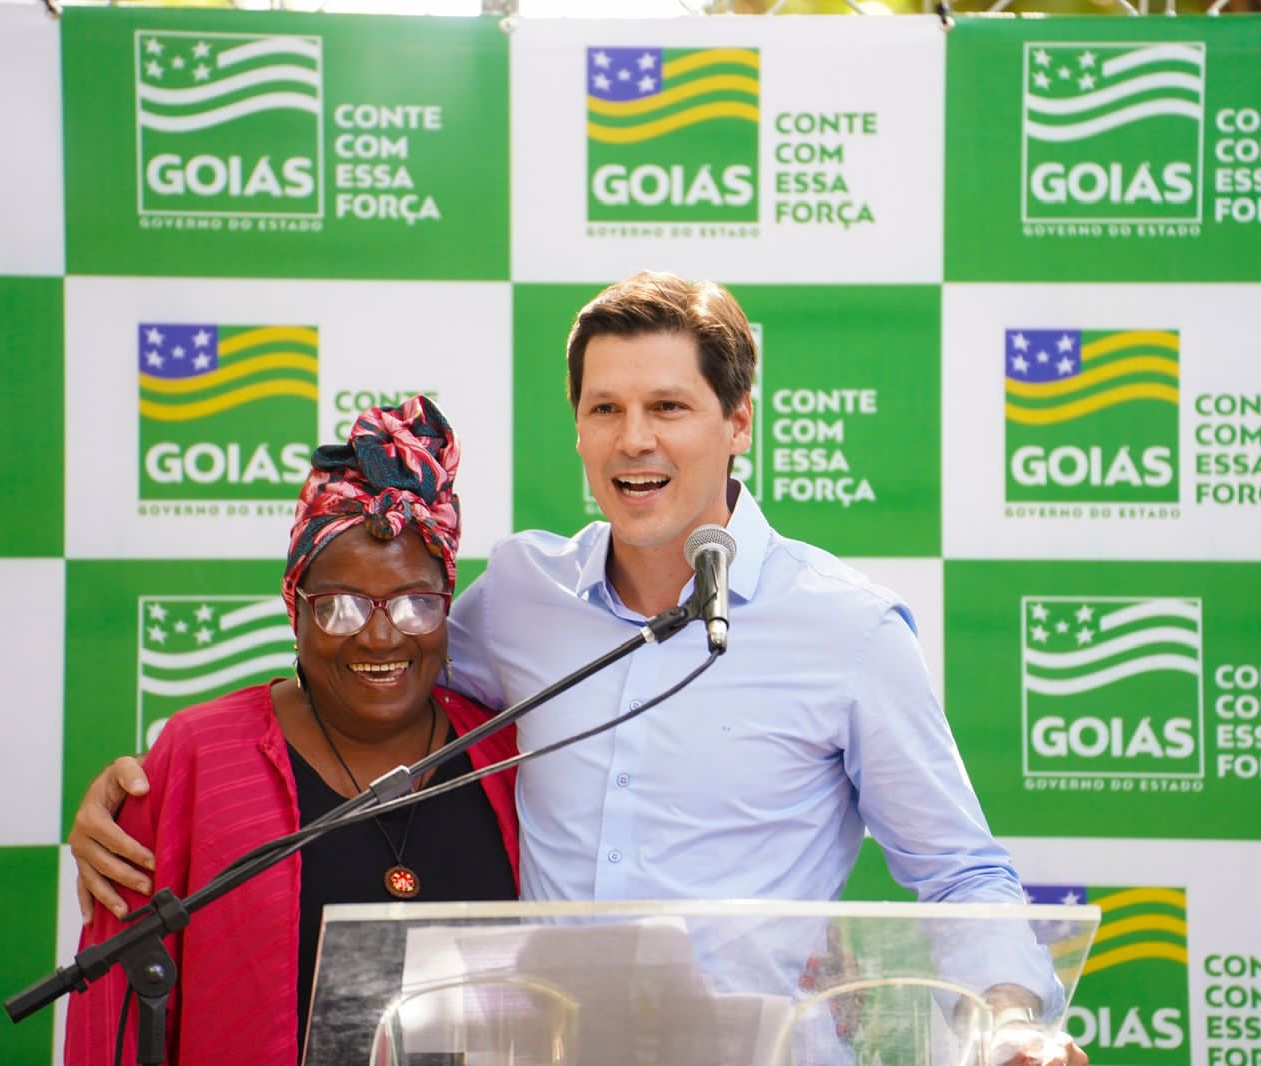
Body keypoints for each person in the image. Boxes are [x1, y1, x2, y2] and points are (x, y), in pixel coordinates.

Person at [70, 275, 1086, 1066]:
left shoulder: (849, 630)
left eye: (669, 406)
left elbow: (963, 872)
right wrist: (153, 786)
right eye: (605, 408)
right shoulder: (521, 592)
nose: (634, 441)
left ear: (738, 423)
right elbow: (374, 657)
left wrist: (1007, 1019)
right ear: (578, 428)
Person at [64, 397, 519, 1066]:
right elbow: (113, 1017)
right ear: (293, 609)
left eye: (416, 603)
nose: (381, 636)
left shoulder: (507, 754)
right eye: (339, 606)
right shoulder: (197, 759)